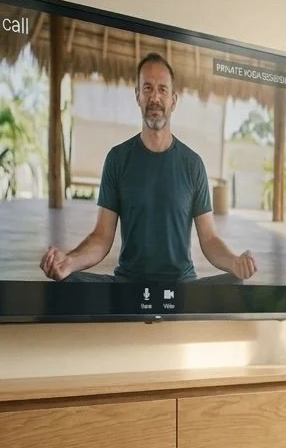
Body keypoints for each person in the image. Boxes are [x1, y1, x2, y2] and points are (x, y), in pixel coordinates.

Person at [40, 52, 257, 285]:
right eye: (147, 88)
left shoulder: (193, 164)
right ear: (137, 96)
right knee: (68, 282)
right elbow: (102, 237)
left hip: (181, 287)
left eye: (163, 89)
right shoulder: (117, 159)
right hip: (130, 285)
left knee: (234, 284)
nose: (155, 97)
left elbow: (209, 238)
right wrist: (69, 262)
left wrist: (235, 262)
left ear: (173, 100)